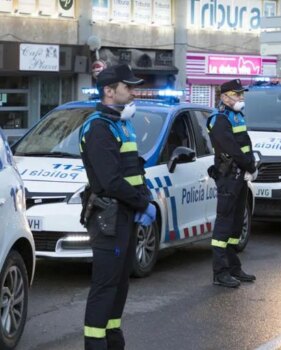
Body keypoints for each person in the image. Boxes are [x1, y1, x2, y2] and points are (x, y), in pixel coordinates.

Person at [79, 64, 156, 350]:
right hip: (108, 217)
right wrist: (141, 204)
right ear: (109, 91)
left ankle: (113, 341)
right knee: (105, 286)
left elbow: (133, 169)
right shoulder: (98, 128)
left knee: (120, 285)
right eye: (129, 87)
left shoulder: (122, 124)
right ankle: (95, 344)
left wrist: (144, 197)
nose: (134, 92)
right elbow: (111, 181)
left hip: (125, 214)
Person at [207, 78, 257, 288]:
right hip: (229, 177)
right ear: (224, 97)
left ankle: (233, 267)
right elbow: (232, 149)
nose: (240, 98)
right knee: (224, 225)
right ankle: (220, 272)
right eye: (237, 95)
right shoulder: (219, 120)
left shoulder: (236, 116)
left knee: (236, 224)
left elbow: (244, 144)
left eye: (242, 94)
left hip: (240, 176)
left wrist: (251, 163)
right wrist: (250, 166)